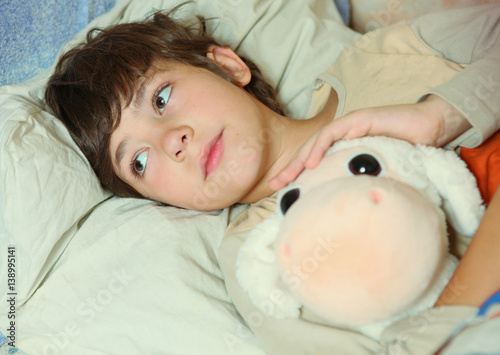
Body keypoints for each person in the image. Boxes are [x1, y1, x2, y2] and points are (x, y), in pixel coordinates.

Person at [45, 3, 500, 354]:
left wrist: (440, 117)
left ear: (227, 66)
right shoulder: (257, 259)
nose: (171, 141)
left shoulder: (377, 59)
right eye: (139, 163)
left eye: (161, 98)